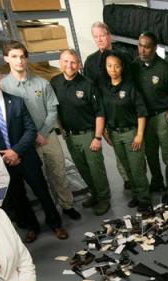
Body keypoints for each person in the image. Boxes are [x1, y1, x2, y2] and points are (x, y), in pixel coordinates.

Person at [0, 59, 68, 241]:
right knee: (18, 196)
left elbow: (30, 129)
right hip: (0, 161)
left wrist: (16, 151)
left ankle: (56, 224)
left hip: (26, 156)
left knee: (42, 191)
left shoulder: (16, 101)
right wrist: (2, 155)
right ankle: (32, 227)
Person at [1, 41, 81, 221]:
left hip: (48, 137)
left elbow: (53, 110)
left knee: (59, 172)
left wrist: (42, 133)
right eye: (14, 56)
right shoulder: (3, 87)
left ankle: (67, 205)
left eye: (22, 56)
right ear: (6, 59)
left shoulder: (42, 83)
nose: (19, 61)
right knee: (39, 180)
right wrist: (30, 137)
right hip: (24, 143)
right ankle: (50, 210)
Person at [50, 49, 112, 216]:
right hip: (70, 136)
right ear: (60, 62)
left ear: (78, 64)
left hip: (89, 135)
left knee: (95, 169)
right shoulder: (54, 82)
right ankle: (95, 194)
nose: (69, 65)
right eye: (65, 61)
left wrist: (97, 137)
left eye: (73, 62)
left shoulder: (87, 85)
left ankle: (104, 198)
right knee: (83, 169)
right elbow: (54, 109)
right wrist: (61, 129)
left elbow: (100, 113)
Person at [83, 22, 137, 196]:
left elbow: (132, 84)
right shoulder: (90, 62)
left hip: (125, 110)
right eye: (96, 36)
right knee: (117, 147)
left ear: (109, 36)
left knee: (133, 148)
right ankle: (128, 178)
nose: (99, 39)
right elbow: (90, 91)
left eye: (102, 35)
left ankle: (137, 179)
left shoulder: (124, 56)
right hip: (106, 113)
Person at [133, 32, 168, 205]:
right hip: (145, 118)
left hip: (163, 116)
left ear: (154, 48)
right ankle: (157, 181)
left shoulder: (164, 69)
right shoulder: (135, 65)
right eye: (140, 45)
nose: (142, 49)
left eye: (146, 46)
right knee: (151, 153)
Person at [99, 52, 151, 211]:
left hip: (131, 133)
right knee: (127, 167)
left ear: (122, 68)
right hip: (114, 134)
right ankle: (136, 194)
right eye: (109, 65)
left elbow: (141, 113)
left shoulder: (130, 87)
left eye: (116, 66)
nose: (113, 69)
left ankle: (144, 199)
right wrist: (105, 132)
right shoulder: (104, 88)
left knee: (137, 168)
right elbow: (103, 112)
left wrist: (140, 135)